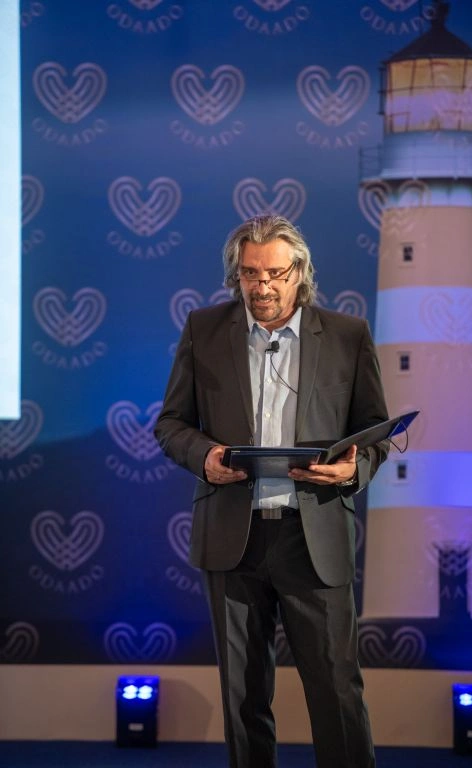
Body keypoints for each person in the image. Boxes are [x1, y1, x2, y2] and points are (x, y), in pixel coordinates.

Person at [155, 214, 389, 768]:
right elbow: (172, 424)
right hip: (233, 539)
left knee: (336, 691)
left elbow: (375, 433)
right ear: (235, 274)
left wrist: (352, 470)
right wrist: (204, 457)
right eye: (249, 274)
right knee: (242, 697)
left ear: (299, 272)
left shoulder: (347, 335)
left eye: (275, 274)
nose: (262, 287)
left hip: (313, 538)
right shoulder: (204, 330)